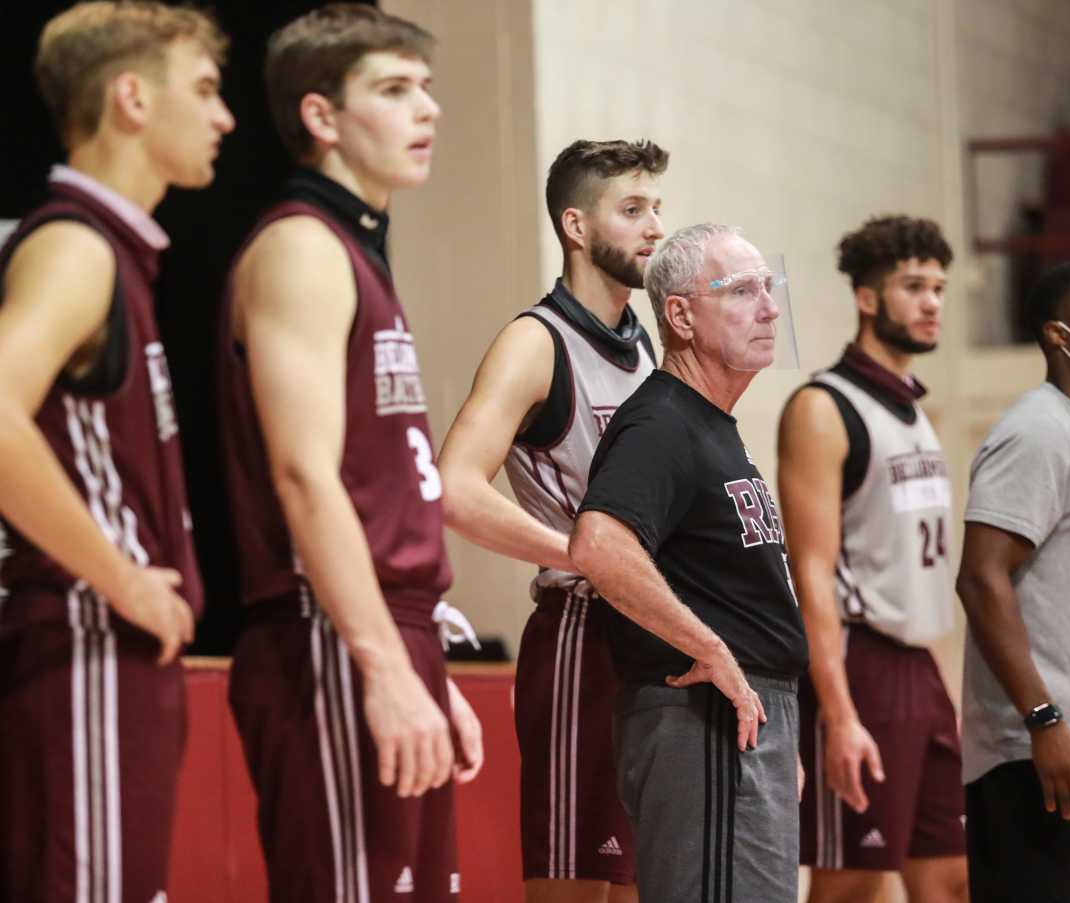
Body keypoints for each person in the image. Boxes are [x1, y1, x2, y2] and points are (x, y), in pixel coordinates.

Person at [217, 7, 481, 901]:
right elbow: (303, 474)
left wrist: (422, 668)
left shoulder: (355, 251)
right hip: (326, 633)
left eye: (428, 90)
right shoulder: (301, 246)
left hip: (386, 627)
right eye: (396, 90)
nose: (429, 111)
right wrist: (382, 666)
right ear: (322, 116)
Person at [0, 3, 234, 899]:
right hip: (84, 643)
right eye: (206, 90)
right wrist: (123, 577)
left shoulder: (118, 253)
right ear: (131, 98)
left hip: (114, 657)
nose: (225, 118)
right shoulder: (75, 245)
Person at [439, 138, 667, 903]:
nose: (653, 227)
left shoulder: (647, 351)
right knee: (576, 891)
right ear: (576, 225)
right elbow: (454, 487)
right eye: (632, 209)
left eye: (657, 208)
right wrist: (580, 551)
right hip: (583, 633)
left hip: (654, 635)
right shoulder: (534, 342)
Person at [569, 223, 809, 903]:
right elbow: (599, 544)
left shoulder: (710, 425)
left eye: (770, 287)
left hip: (745, 723)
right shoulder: (662, 423)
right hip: (700, 723)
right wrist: (713, 649)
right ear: (679, 316)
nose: (769, 307)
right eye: (741, 291)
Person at [778, 216, 967, 903]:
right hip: (858, 664)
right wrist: (839, 712)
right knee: (852, 884)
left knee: (950, 875)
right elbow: (812, 573)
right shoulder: (823, 407)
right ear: (867, 297)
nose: (931, 302)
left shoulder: (916, 413)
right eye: (914, 286)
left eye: (939, 287)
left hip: (919, 664)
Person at [956, 260, 1070, 903]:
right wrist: (1044, 720)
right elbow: (981, 579)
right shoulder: (1036, 431)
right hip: (1034, 753)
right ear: (1060, 337)